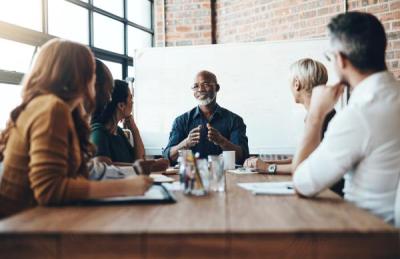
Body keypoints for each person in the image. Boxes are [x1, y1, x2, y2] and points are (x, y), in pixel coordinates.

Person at [0, 39, 153, 219]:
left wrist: (130, 176)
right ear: (79, 77)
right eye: (91, 74)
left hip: (31, 220)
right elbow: (50, 189)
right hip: (21, 228)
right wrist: (125, 187)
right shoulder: (52, 109)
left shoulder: (51, 107)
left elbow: (76, 172)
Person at [291, 12, 400, 225]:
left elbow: (302, 184)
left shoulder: (360, 114)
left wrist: (315, 115)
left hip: (363, 235)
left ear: (340, 59)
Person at [243, 59, 344, 196]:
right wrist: (264, 162)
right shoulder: (321, 114)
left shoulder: (319, 118)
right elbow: (302, 157)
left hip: (329, 194)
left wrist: (268, 167)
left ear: (297, 84)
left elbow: (303, 165)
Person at [163, 70, 249, 165]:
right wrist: (186, 143)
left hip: (225, 176)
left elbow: (243, 157)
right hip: (192, 176)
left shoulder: (235, 120)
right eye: (196, 86)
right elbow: (168, 156)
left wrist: (222, 141)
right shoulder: (181, 121)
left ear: (217, 88)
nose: (200, 89)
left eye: (205, 84)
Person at [91, 79, 145, 165]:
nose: (132, 102)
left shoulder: (119, 132)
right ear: (121, 105)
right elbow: (103, 167)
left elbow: (140, 160)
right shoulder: (98, 132)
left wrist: (134, 130)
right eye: (130, 98)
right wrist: (138, 166)